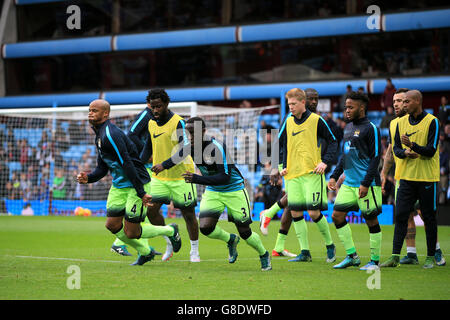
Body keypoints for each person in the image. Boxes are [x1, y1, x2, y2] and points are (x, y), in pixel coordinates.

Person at [76, 99, 181, 266]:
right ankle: (146, 253)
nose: (90, 113)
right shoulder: (99, 135)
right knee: (112, 225)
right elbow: (102, 167)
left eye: (95, 110)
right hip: (119, 186)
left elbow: (127, 163)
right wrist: (89, 178)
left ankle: (170, 230)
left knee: (131, 232)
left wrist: (141, 192)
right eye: (89, 110)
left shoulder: (111, 134)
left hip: (135, 183)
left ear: (105, 114)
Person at [181, 117, 272, 271]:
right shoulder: (189, 146)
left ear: (203, 132)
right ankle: (230, 240)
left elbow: (225, 177)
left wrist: (197, 178)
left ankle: (264, 254)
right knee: (205, 228)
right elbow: (173, 159)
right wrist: (161, 166)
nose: (190, 136)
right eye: (188, 133)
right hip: (213, 191)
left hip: (234, 190)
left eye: (193, 133)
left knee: (245, 232)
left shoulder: (217, 147)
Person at [270, 88, 337, 263]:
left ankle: (330, 245)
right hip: (292, 176)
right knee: (296, 213)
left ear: (303, 102)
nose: (290, 107)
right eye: (288, 104)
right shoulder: (288, 121)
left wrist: (325, 162)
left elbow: (333, 141)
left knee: (314, 213)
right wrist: (280, 167)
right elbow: (279, 143)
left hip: (312, 174)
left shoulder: (317, 120)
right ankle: (305, 252)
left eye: (293, 104)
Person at [381, 90, 441, 269]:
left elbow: (431, 151)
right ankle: (394, 256)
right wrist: (405, 152)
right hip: (406, 178)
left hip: (426, 178)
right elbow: (396, 150)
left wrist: (413, 146)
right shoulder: (399, 123)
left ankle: (431, 257)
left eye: (406, 102)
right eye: (401, 102)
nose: (403, 105)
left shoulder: (433, 122)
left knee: (429, 217)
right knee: (400, 216)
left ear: (417, 101)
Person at [140, 88, 200, 262]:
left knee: (188, 214)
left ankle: (194, 251)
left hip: (182, 176)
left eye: (158, 106)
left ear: (166, 104)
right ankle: (169, 240)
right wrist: (138, 164)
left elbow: (185, 149)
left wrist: (164, 164)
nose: (156, 110)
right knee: (151, 211)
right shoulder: (151, 122)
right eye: (152, 107)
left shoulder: (178, 122)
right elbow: (148, 148)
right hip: (160, 178)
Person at [259, 88, 319, 258]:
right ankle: (269, 214)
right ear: (303, 101)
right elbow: (279, 141)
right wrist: (276, 167)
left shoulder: (316, 119)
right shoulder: (290, 118)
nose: (314, 102)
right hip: (292, 167)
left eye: (317, 99)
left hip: (309, 168)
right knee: (295, 203)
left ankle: (278, 246)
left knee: (293, 206)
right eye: (311, 99)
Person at [328, 91, 383, 270]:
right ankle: (352, 256)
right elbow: (345, 156)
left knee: (371, 220)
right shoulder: (348, 127)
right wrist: (335, 176)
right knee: (336, 216)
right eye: (346, 107)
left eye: (351, 107)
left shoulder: (371, 128)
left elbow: (376, 157)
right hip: (349, 183)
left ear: (361, 107)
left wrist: (366, 183)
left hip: (368, 184)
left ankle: (374, 261)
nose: (347, 110)